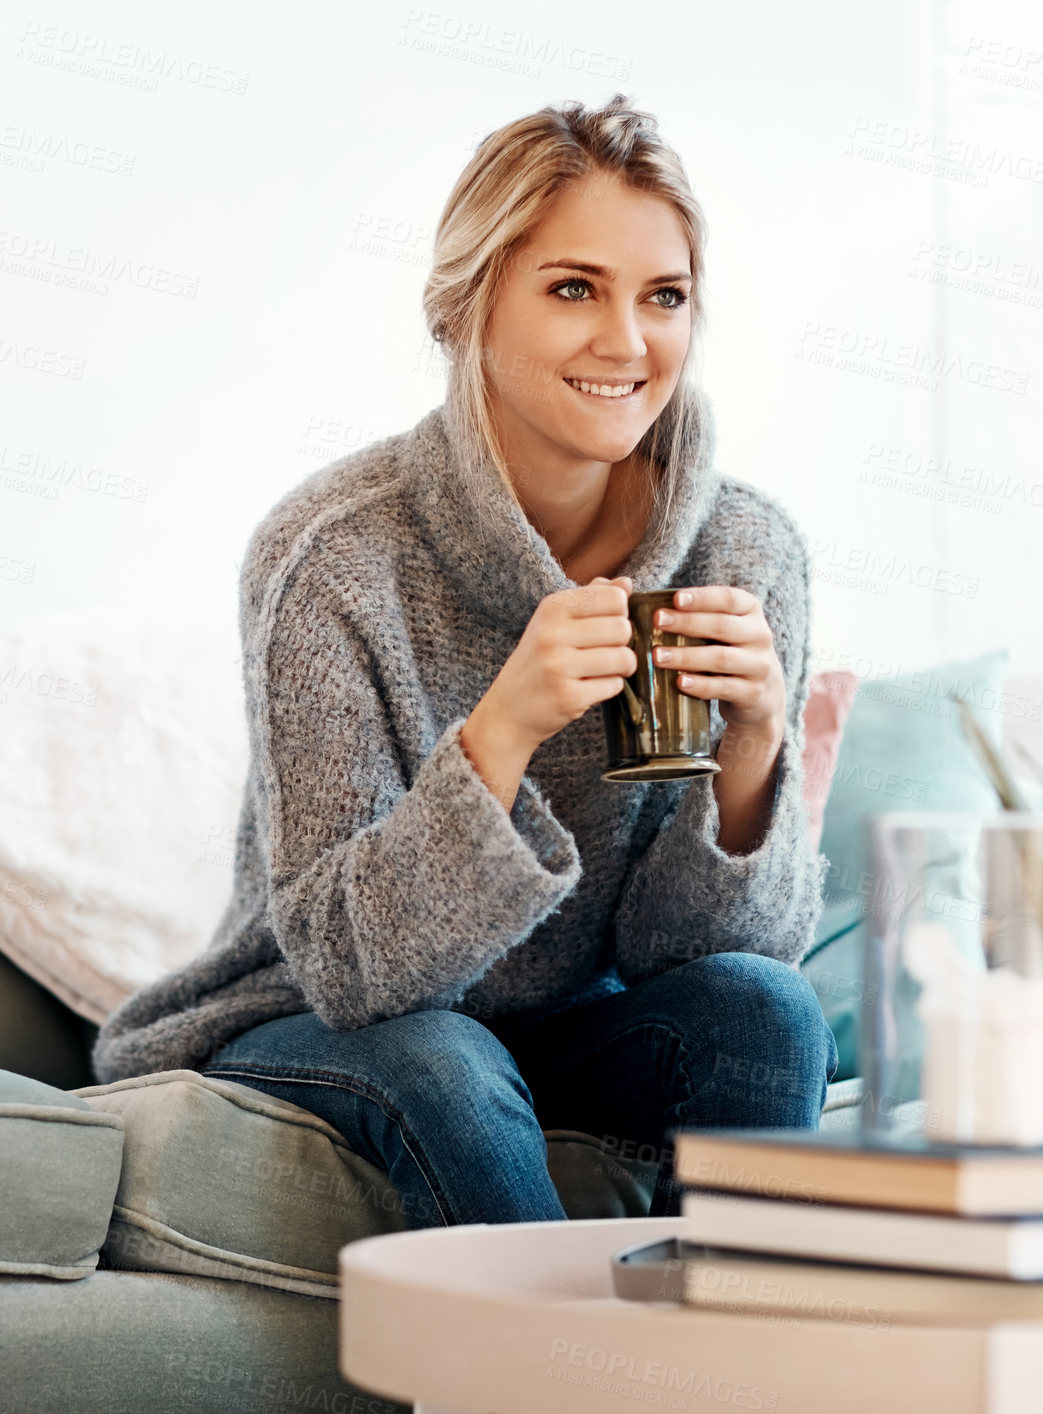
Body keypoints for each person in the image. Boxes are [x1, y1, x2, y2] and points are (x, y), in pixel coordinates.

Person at [91, 93, 836, 1226]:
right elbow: (353, 971)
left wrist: (752, 753)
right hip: (322, 1018)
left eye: (665, 297)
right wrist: (501, 732)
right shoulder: (334, 554)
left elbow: (691, 957)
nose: (628, 342)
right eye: (573, 288)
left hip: (575, 1019)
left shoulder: (747, 552)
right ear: (470, 308)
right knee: (443, 1057)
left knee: (770, 1011)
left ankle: (734, 1370)